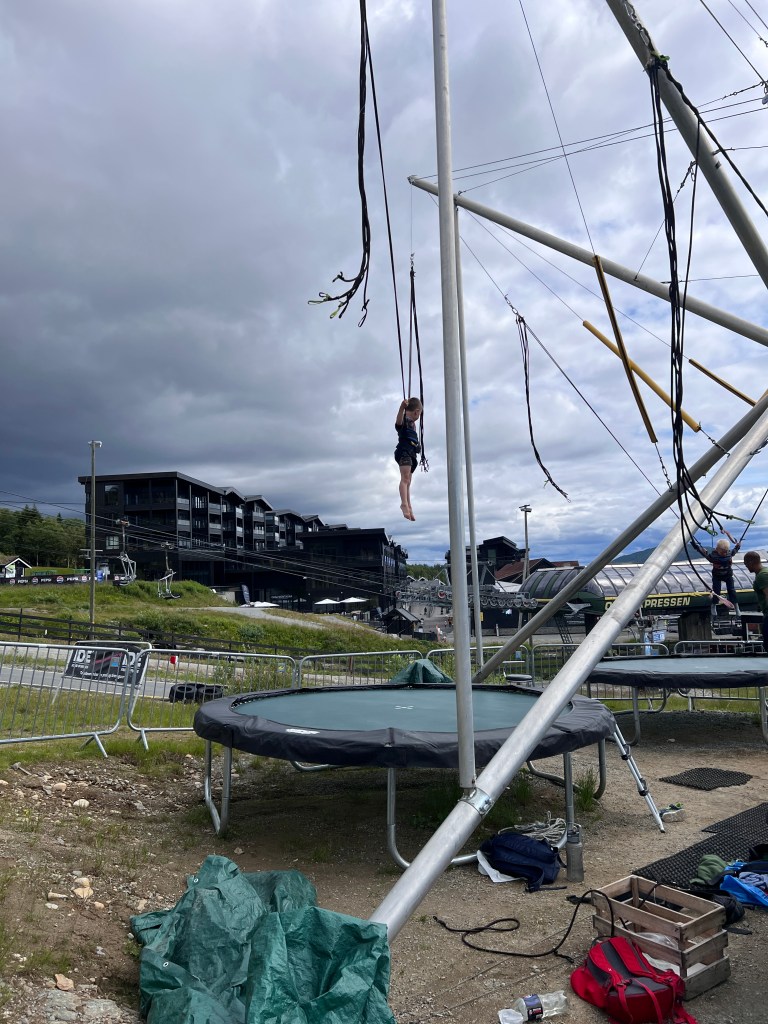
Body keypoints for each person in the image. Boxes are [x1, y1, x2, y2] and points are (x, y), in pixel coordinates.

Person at [692, 532, 741, 608]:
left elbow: (735, 550)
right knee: (716, 591)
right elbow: (704, 554)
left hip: (727, 575)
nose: (724, 554)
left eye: (725, 552)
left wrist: (738, 546)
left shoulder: (727, 554)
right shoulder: (714, 557)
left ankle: (736, 606)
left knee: (731, 590)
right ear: (717, 550)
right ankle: (714, 605)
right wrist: (697, 547)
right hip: (717, 576)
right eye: (722, 552)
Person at [394, 396, 422, 521]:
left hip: (410, 453)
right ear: (417, 412)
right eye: (419, 414)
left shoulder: (412, 425)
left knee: (408, 481)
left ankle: (409, 505)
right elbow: (398, 423)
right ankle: (404, 504)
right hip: (404, 451)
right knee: (405, 479)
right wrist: (401, 409)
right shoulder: (405, 420)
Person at [744, 551, 768, 650]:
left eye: (746, 564)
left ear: (751, 562)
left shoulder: (762, 576)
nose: (746, 566)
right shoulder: (764, 572)